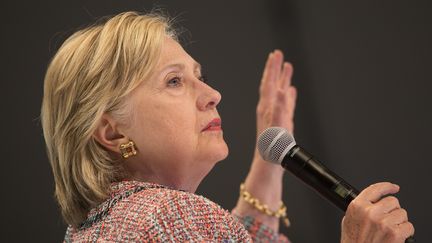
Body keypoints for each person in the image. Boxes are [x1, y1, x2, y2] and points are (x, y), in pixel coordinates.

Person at [41, 11, 414, 242]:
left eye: (199, 76)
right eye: (174, 81)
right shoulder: (168, 216)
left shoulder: (91, 229)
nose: (213, 94)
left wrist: (267, 164)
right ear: (114, 133)